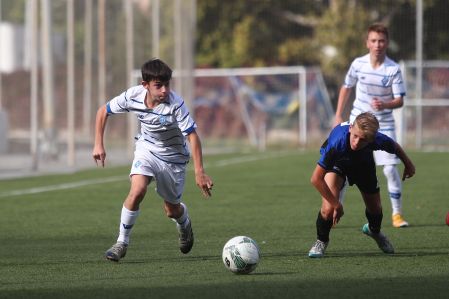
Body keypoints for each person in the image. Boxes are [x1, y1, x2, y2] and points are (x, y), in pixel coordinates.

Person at [92, 58, 214, 262]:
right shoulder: (133, 95)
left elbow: (192, 136)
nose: (164, 90)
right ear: (145, 85)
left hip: (173, 159)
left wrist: (199, 171)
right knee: (137, 189)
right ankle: (121, 242)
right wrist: (98, 144)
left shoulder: (175, 104)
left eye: (167, 84)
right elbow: (103, 111)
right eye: (158, 85)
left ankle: (184, 224)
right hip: (146, 150)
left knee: (171, 210)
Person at [308, 112, 415, 258]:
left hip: (363, 165)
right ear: (351, 128)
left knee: (375, 209)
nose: (357, 143)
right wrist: (336, 204)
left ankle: (374, 231)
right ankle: (321, 240)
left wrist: (408, 164)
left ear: (371, 140)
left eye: (363, 140)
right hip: (337, 164)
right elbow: (315, 179)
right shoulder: (338, 142)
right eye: (355, 136)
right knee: (328, 209)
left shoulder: (376, 139)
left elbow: (394, 146)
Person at [334, 23, 409, 228]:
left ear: (387, 43)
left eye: (382, 40)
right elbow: (346, 86)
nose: (378, 44)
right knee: (343, 166)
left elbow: (400, 100)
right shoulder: (358, 64)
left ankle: (397, 214)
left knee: (390, 170)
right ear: (367, 42)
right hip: (357, 124)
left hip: (384, 124)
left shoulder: (393, 69)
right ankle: (335, 206)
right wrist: (338, 114)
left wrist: (385, 104)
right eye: (374, 40)